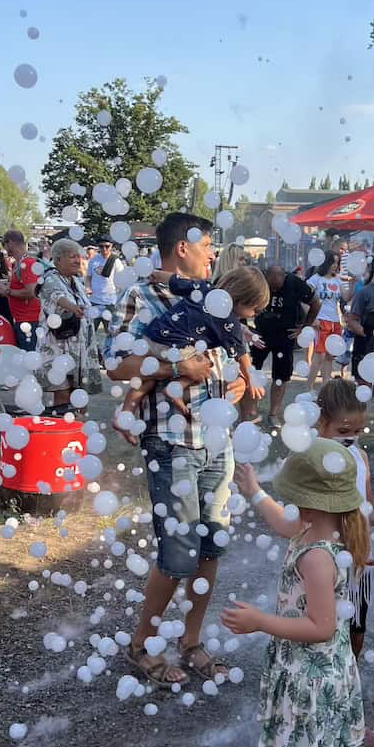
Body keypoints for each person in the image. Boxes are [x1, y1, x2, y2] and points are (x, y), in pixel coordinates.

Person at [222, 438, 368, 747]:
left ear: (308, 502)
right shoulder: (324, 533)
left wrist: (261, 621)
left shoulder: (317, 559)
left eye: (290, 496)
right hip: (331, 677)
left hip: (307, 677)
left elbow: (321, 625)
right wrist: (255, 492)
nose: (286, 504)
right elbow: (282, 523)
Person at [107, 213, 234, 688]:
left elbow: (224, 357)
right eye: (208, 246)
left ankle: (192, 640)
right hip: (172, 441)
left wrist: (235, 384)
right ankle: (142, 645)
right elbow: (118, 365)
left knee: (211, 545)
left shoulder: (212, 296)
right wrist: (174, 364)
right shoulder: (139, 296)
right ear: (183, 246)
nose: (213, 253)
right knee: (177, 554)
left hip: (218, 443)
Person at [312, 379, 374, 747]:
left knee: (354, 641)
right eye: (342, 432)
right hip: (326, 566)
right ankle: (317, 743)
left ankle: (346, 719)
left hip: (359, 566)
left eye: (357, 432)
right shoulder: (313, 461)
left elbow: (363, 509)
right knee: (324, 648)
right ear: (320, 425)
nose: (350, 439)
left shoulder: (360, 457)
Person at [117, 266, 268, 434]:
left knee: (149, 377)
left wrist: (158, 275)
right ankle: (176, 388)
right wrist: (251, 378)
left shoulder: (204, 288)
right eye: (255, 309)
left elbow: (176, 280)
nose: (254, 315)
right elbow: (241, 355)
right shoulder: (229, 321)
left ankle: (126, 412)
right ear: (242, 300)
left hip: (155, 335)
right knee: (203, 363)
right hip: (176, 346)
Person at [250, 265, 321, 425]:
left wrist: (305, 325)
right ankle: (252, 411)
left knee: (280, 377)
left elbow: (316, 302)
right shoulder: (258, 280)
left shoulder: (294, 283)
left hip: (285, 335)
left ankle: (274, 413)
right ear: (266, 277)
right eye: (271, 287)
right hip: (260, 334)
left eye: (278, 287)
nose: (274, 289)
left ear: (284, 277)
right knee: (253, 372)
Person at [39, 239, 102, 413]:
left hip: (79, 348)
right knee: (63, 394)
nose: (77, 261)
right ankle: (62, 431)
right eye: (72, 257)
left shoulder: (75, 281)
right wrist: (73, 308)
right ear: (58, 260)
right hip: (58, 348)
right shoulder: (50, 278)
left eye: (79, 257)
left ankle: (78, 430)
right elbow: (57, 297)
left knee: (80, 394)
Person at [306, 252, 350, 390]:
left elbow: (346, 297)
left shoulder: (338, 280)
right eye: (333, 262)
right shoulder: (316, 279)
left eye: (337, 263)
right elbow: (304, 298)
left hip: (335, 322)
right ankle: (309, 387)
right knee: (319, 356)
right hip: (321, 320)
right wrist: (312, 318)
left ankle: (325, 387)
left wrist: (353, 283)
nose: (335, 266)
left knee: (330, 356)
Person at [0, 229, 42, 351]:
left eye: (4, 244)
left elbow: (31, 292)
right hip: (23, 319)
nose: (4, 248)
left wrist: (7, 291)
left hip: (29, 320)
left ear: (10, 243)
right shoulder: (19, 263)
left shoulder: (26, 263)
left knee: (29, 357)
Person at [86, 239, 120, 331]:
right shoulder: (93, 260)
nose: (104, 249)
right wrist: (88, 288)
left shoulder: (116, 261)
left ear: (111, 246)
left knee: (110, 333)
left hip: (110, 302)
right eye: (101, 246)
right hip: (94, 301)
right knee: (90, 332)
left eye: (107, 246)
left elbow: (121, 280)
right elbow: (88, 277)